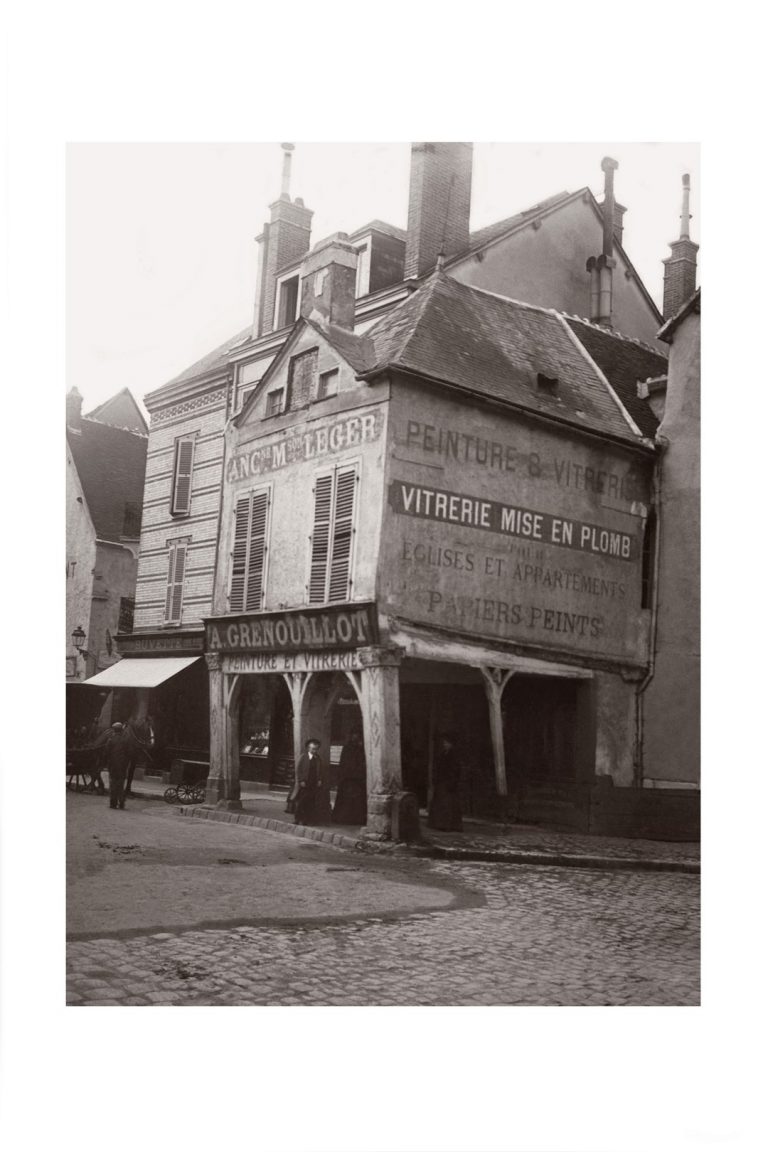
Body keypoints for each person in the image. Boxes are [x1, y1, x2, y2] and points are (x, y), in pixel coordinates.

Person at [289, 738, 331, 826]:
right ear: (308, 748)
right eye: (312, 749)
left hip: (313, 783)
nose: (314, 751)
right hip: (305, 783)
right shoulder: (303, 757)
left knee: (311, 801)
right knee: (302, 801)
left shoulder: (318, 759)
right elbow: (298, 770)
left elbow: (320, 771)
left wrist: (319, 780)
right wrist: (301, 780)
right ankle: (298, 819)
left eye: (316, 749)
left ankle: (306, 819)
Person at [95, 722, 136, 810]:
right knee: (120, 784)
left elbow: (106, 753)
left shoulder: (111, 740)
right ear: (121, 730)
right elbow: (130, 753)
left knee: (113, 784)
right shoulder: (126, 740)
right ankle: (121, 803)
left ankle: (113, 803)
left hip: (113, 766)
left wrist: (104, 763)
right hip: (122, 766)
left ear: (114, 730)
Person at [427, 733, 463, 832]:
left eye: (447, 743)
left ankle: (450, 825)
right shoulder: (443, 754)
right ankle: (439, 824)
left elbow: (455, 770)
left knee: (449, 804)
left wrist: (452, 782)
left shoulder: (454, 755)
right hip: (441, 781)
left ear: (451, 744)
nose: (445, 744)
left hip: (449, 782)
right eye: (444, 743)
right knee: (440, 802)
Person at [332, 729, 367, 826]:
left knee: (357, 800)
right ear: (351, 736)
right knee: (347, 800)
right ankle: (344, 818)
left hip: (357, 779)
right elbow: (345, 763)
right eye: (354, 735)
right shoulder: (347, 748)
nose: (355, 737)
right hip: (348, 778)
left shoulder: (360, 748)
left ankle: (356, 819)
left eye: (357, 736)